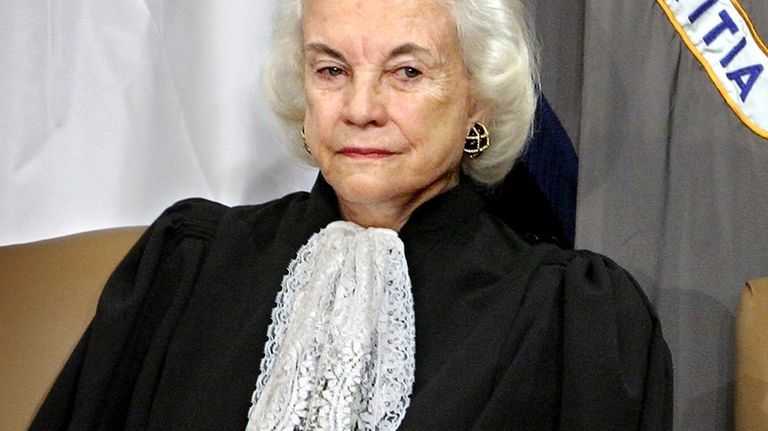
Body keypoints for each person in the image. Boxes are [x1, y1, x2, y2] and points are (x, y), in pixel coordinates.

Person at [30, 0, 673, 429]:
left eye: (407, 71)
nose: (361, 107)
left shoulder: (573, 319)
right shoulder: (187, 264)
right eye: (332, 69)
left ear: (479, 98)